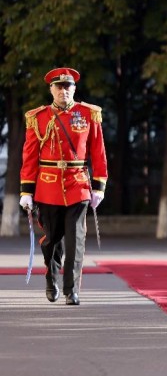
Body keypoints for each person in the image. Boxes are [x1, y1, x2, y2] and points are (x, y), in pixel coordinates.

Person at [19, 67, 108, 305]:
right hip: (47, 186)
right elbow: (29, 156)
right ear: (51, 89)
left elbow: (98, 153)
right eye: (59, 87)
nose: (63, 91)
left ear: (74, 89)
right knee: (51, 240)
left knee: (75, 240)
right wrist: (26, 190)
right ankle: (51, 278)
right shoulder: (37, 117)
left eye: (68, 87)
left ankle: (71, 290)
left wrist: (99, 186)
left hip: (78, 184)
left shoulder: (89, 114)